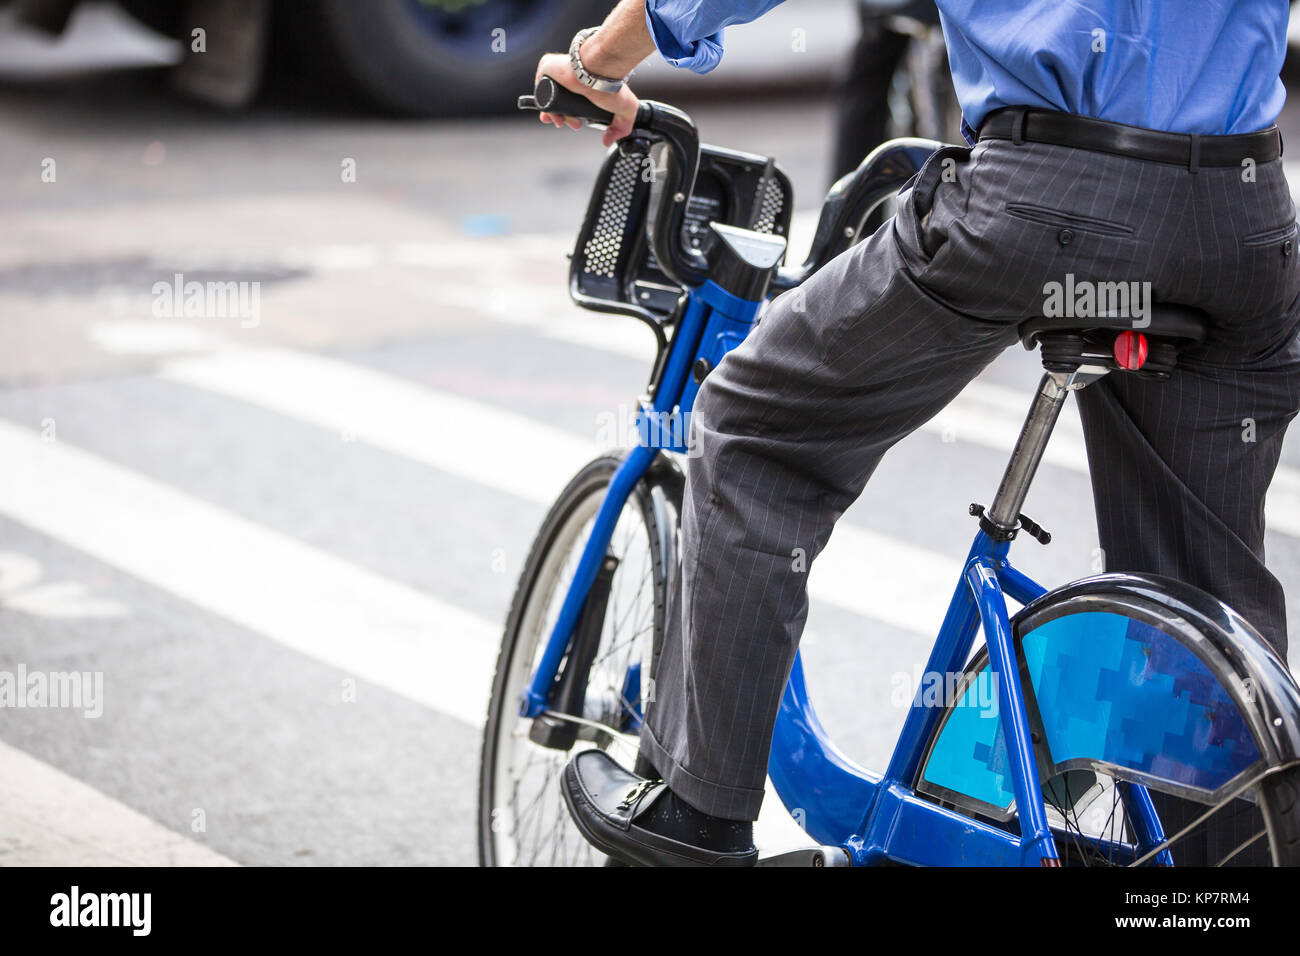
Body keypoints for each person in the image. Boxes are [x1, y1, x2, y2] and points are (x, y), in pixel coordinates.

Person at [536, 0, 1300, 866]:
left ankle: (697, 818)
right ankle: (1244, 867)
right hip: (1243, 225)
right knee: (1205, 607)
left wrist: (600, 60)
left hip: (1045, 208)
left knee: (753, 429)